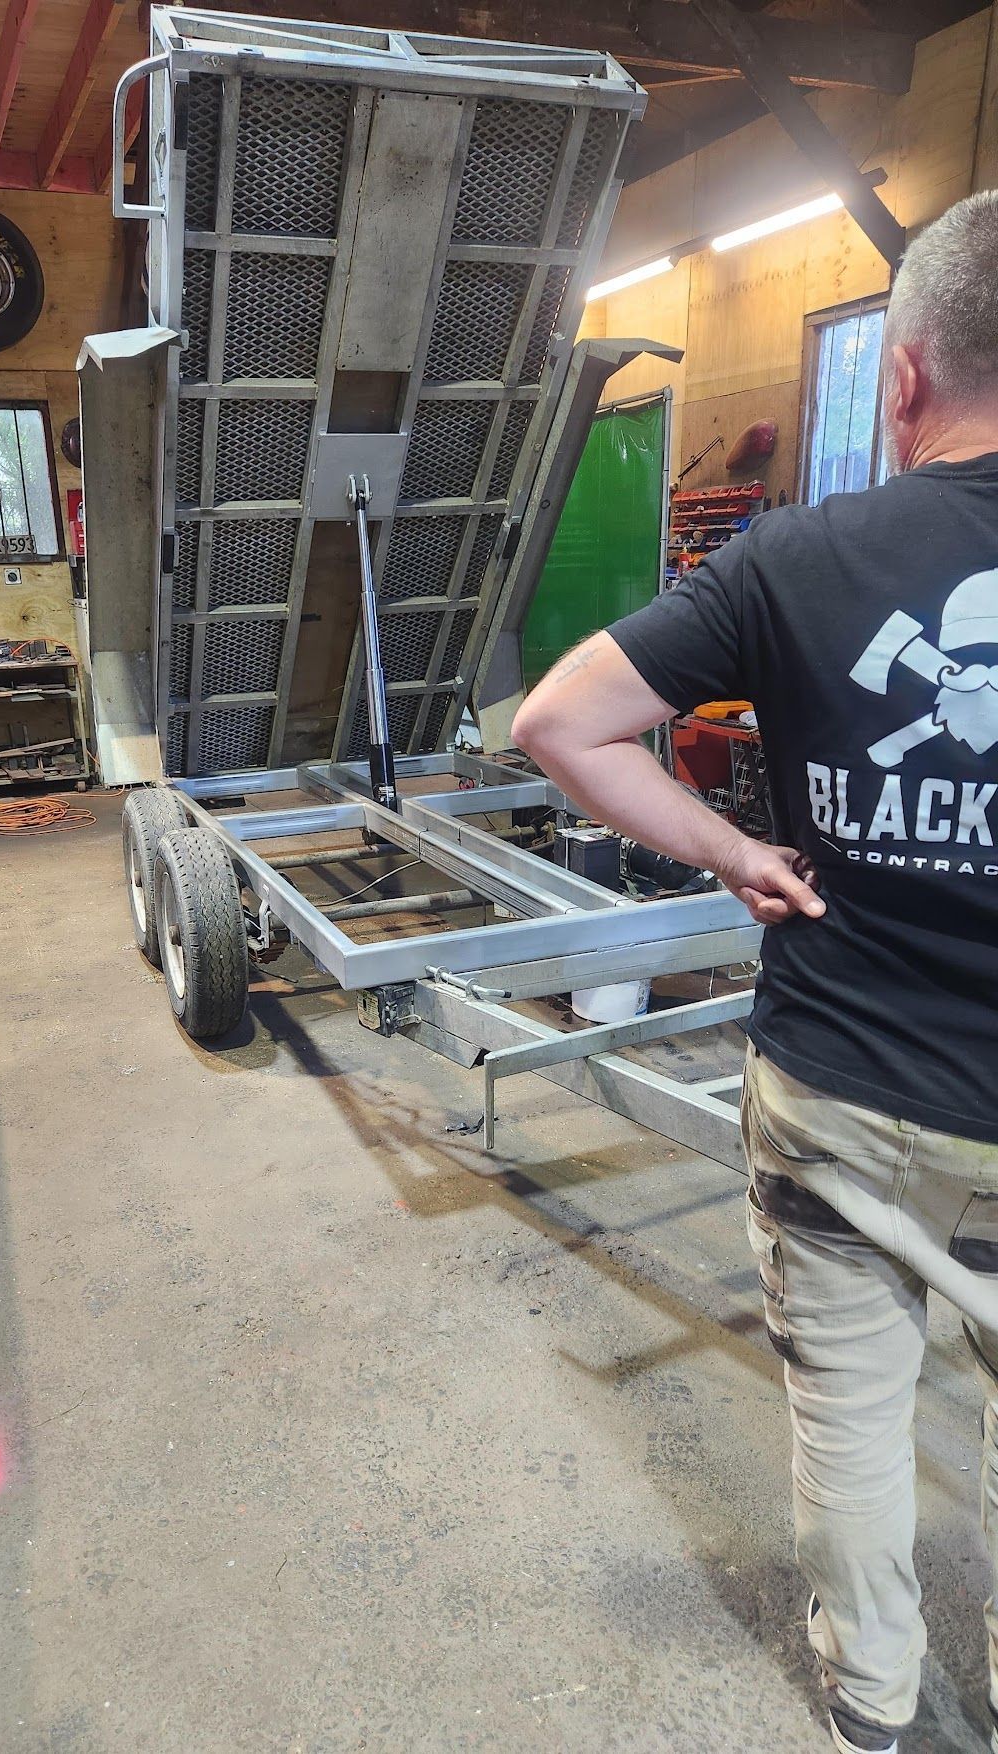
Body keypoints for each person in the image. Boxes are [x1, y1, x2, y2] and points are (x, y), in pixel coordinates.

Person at [511, 190, 998, 1754]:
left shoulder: (801, 555)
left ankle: (872, 1702)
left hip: (839, 1084)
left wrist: (731, 854)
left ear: (904, 376)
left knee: (851, 1422)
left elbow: (558, 724)